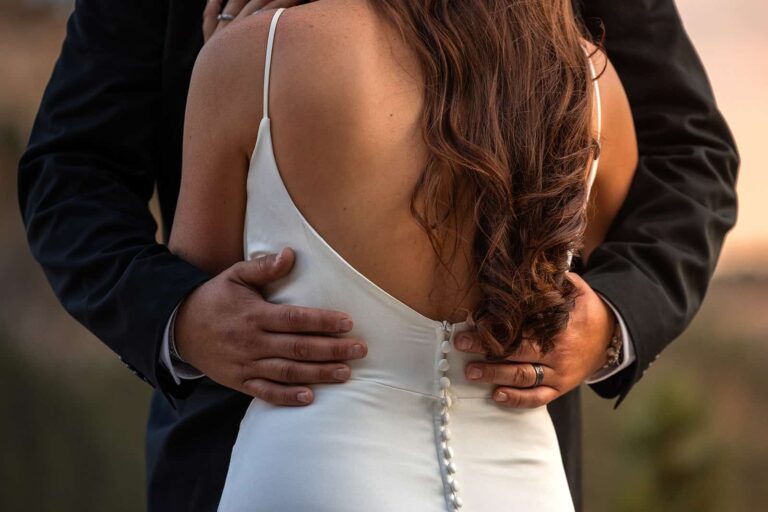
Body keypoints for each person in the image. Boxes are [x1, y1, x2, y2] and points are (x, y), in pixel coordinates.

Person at [17, 0, 738, 510]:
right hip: (235, 442)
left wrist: (611, 320)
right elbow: (71, 170)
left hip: (498, 443)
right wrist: (177, 315)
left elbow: (690, 156)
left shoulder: (246, 53)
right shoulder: (588, 72)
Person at [173, 1, 638, 509]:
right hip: (526, 488)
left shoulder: (255, 53)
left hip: (314, 474)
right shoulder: (586, 78)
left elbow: (203, 285)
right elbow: (605, 245)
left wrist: (223, 67)